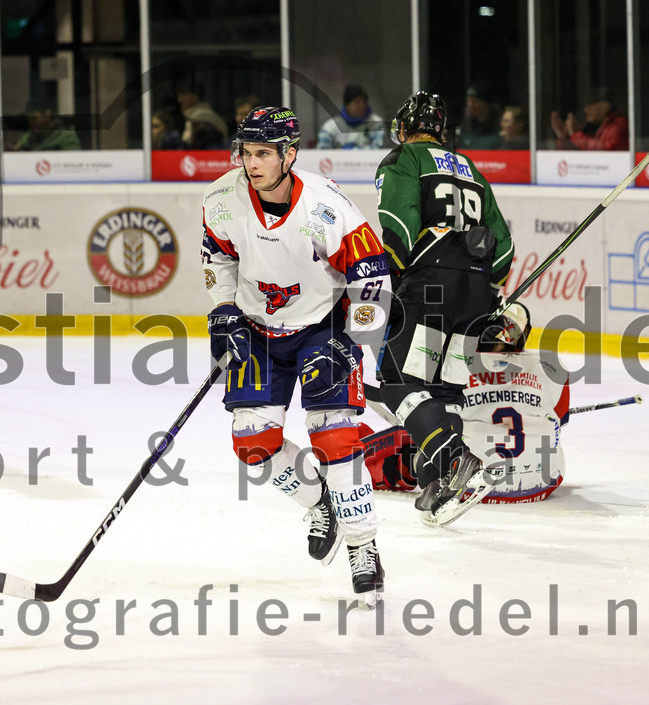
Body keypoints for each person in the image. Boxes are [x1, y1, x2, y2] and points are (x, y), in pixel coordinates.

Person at [202, 106, 391, 603]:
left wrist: (356, 342)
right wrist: (223, 310)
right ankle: (318, 502)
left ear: (289, 154)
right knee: (252, 445)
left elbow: (372, 279)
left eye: (264, 152)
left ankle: (362, 546)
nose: (251, 162)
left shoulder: (326, 208)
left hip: (321, 328)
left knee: (335, 438)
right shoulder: (221, 197)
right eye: (246, 151)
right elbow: (219, 255)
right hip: (256, 329)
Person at [373, 91, 514, 527]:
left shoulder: (404, 158)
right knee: (445, 387)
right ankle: (437, 484)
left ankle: (454, 458)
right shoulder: (471, 169)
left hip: (430, 283)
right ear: (442, 130)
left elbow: (397, 225)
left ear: (404, 127)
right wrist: (483, 290)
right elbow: (504, 248)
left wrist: (393, 282)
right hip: (475, 292)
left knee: (397, 382)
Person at [364, 304, 571, 505]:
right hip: (544, 483)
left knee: (423, 440)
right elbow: (560, 420)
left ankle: (367, 465)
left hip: (467, 486)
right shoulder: (551, 364)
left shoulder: (453, 364)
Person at [550, 87, 629, 151]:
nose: (586, 110)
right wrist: (564, 138)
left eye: (590, 104)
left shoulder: (619, 124)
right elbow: (577, 156)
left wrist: (575, 135)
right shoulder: (597, 126)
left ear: (604, 105)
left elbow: (604, 149)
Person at [316, 84, 386, 149]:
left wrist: (353, 152)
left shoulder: (376, 123)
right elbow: (322, 153)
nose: (362, 105)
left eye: (364, 101)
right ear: (347, 105)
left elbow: (379, 149)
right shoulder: (330, 127)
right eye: (357, 102)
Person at [14, 100, 81, 151]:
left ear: (47, 114)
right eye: (29, 120)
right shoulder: (27, 136)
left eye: (34, 119)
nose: (32, 123)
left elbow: (72, 162)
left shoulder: (66, 136)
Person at [176, 82, 228, 149]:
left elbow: (187, 143)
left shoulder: (201, 116)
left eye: (183, 94)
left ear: (194, 96)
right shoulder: (193, 115)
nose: (179, 99)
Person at [456, 82, 503, 149]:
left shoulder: (498, 126)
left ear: (486, 103)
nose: (471, 105)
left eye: (475, 101)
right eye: (468, 101)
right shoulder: (465, 127)